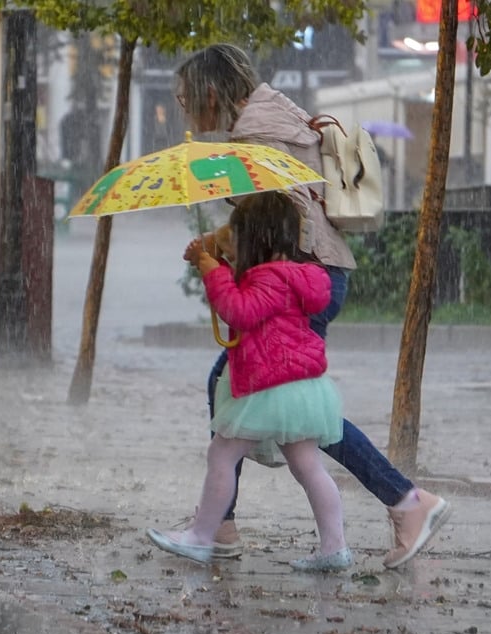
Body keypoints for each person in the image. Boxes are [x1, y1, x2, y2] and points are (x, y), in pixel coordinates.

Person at [173, 43, 451, 569]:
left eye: (188, 101)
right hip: (317, 274)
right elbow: (281, 214)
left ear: (212, 93)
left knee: (302, 411)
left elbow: (280, 221)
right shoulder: (277, 114)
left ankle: (406, 502)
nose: (188, 112)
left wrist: (220, 251)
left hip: (303, 281)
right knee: (279, 402)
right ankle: (222, 524)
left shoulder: (256, 133)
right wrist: (222, 241)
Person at [147, 192, 351, 572]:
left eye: (236, 237)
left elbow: (240, 311)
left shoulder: (269, 277)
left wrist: (211, 269)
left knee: (221, 454)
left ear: (255, 239)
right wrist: (215, 260)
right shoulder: (295, 274)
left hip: (270, 386)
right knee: (308, 466)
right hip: (303, 386)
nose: (232, 244)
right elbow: (250, 300)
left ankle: (202, 536)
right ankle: (334, 546)